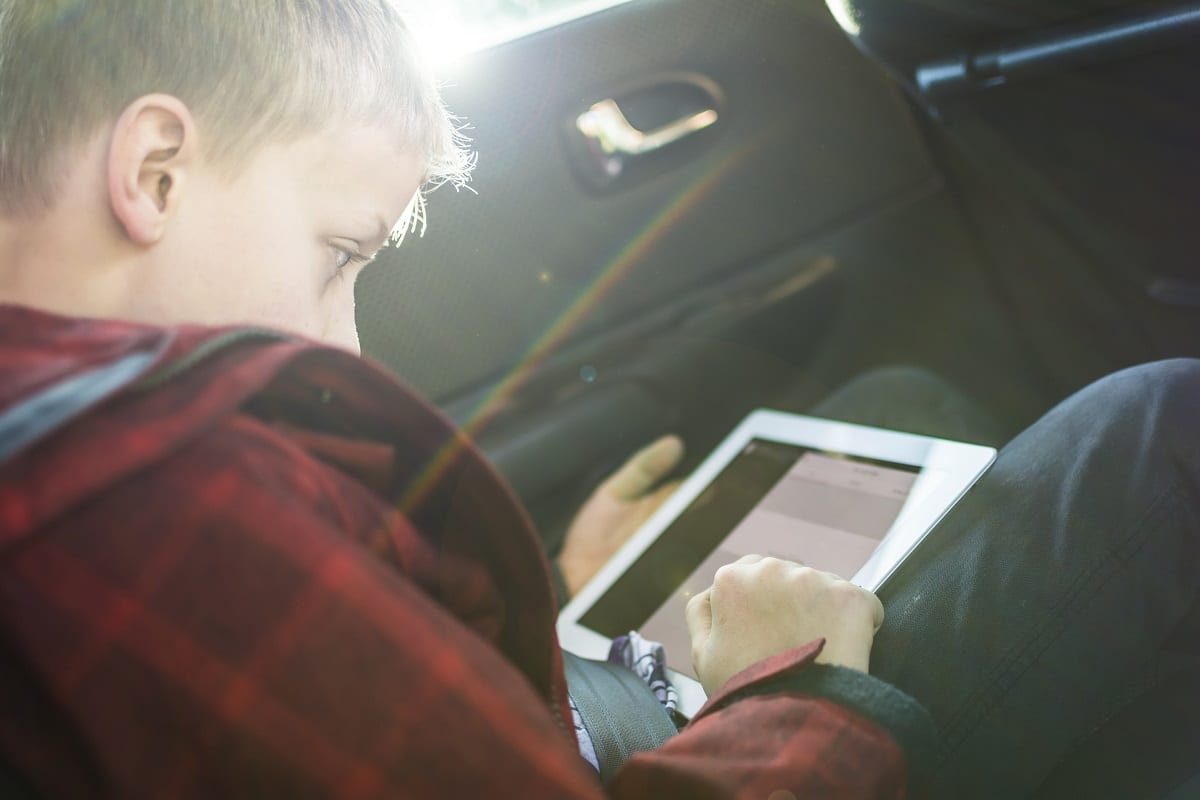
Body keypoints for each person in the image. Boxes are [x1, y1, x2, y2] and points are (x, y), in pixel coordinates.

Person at [0, 2, 1195, 798]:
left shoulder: (102, 450)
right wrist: (800, 692)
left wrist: (552, 600)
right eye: (339, 253)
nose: (350, 343)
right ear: (154, 170)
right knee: (1157, 432)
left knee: (899, 401)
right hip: (702, 751)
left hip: (574, 704)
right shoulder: (150, 497)